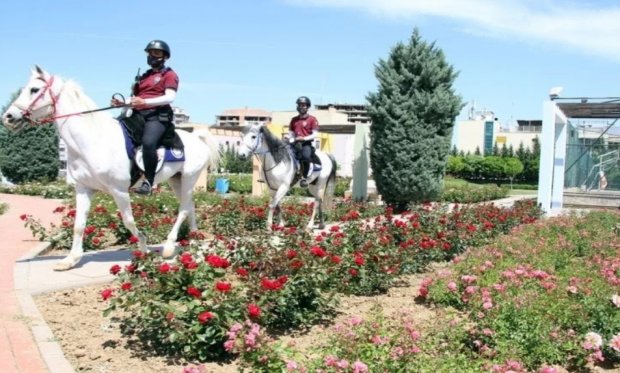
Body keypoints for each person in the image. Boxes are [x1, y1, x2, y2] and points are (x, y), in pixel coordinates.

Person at [112, 39, 179, 195]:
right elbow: (137, 98)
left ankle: (148, 182)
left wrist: (145, 102)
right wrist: (123, 103)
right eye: (150, 53)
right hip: (138, 114)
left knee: (148, 143)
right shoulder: (145, 76)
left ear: (165, 56)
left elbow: (170, 97)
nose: (151, 56)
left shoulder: (169, 74)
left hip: (157, 116)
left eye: (156, 53)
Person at [287, 96, 319, 187]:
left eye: (304, 105)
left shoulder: (312, 119)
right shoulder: (294, 120)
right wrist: (290, 138)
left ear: (308, 107)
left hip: (306, 143)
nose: (301, 107)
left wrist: (303, 138)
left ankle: (304, 178)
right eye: (300, 105)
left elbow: (315, 134)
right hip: (295, 143)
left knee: (306, 156)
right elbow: (291, 133)